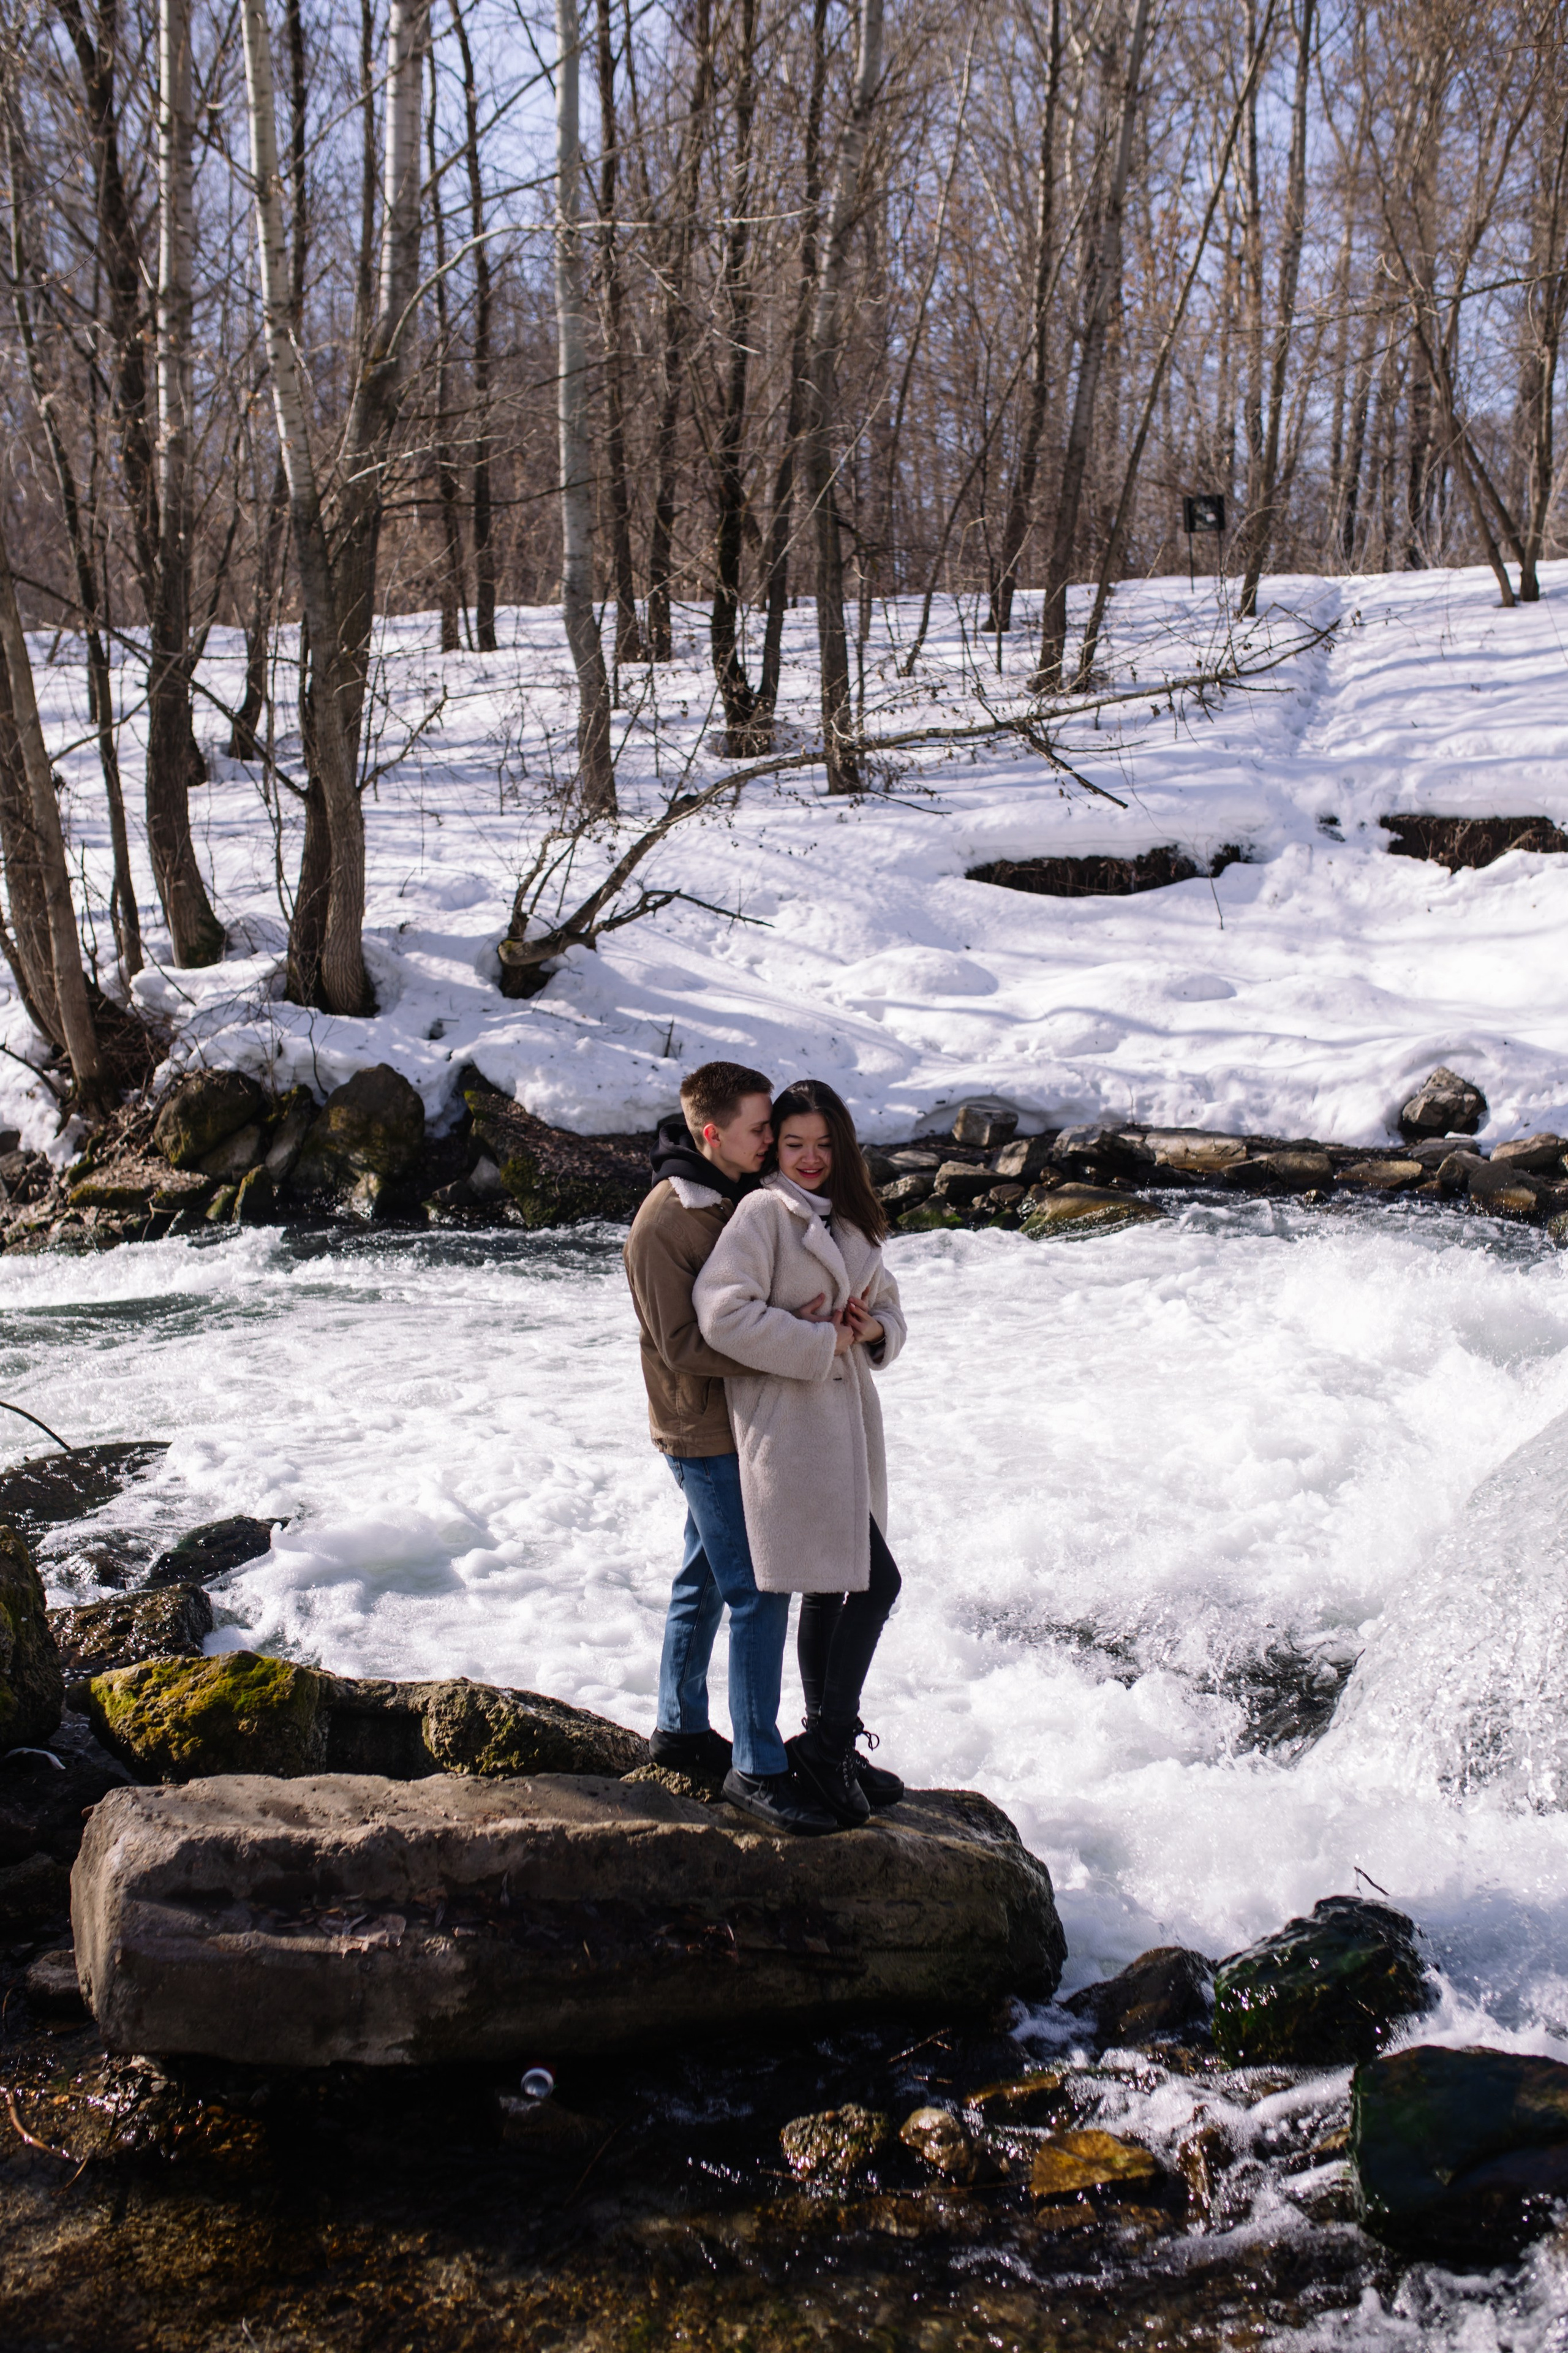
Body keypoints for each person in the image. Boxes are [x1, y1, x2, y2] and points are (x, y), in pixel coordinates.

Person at [624, 1061, 840, 1835]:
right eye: (759, 1130)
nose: (769, 1142)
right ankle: (756, 1766)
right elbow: (684, 1344)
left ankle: (679, 1731)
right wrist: (801, 1341)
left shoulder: (736, 1197)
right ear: (710, 1134)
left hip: (740, 1419)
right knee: (756, 1587)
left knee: (703, 1580)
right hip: (700, 1429)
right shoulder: (664, 1222)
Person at [693, 1078, 908, 1827]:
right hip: (793, 1428)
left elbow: (890, 1308)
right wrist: (824, 1339)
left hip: (843, 1423)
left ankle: (830, 1743)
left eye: (822, 1144)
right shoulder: (763, 1214)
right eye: (793, 1145)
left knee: (835, 1584)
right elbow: (720, 1314)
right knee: (876, 1584)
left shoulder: (851, 1217)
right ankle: (824, 1742)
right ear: (773, 1150)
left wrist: (872, 1330)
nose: (809, 1158)